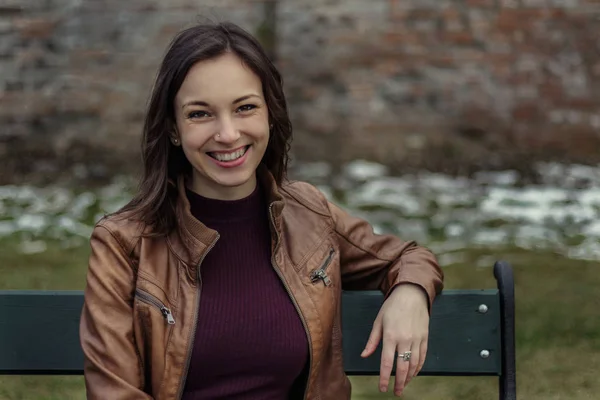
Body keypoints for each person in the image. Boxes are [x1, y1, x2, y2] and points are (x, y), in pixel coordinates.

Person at [79, 21, 444, 400]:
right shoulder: (124, 244)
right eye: (200, 114)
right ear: (173, 129)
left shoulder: (308, 215)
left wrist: (410, 293)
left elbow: (407, 256)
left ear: (270, 113)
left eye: (245, 108)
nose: (228, 134)